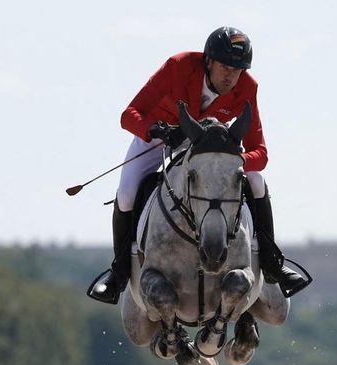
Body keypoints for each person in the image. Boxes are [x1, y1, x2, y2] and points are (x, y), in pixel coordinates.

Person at [89, 26, 309, 304]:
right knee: (128, 192)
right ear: (209, 61)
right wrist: (157, 130)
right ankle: (118, 274)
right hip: (159, 138)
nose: (231, 75)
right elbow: (128, 115)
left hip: (208, 146)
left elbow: (260, 153)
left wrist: (236, 161)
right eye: (225, 66)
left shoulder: (247, 88)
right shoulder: (178, 66)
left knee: (256, 180)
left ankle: (272, 263)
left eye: (237, 69)